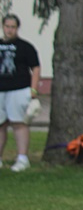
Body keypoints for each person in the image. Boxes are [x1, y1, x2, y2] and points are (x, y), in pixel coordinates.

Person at [0, 14, 41, 173]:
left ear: (17, 28)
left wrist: (33, 90)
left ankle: (22, 159)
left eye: (13, 27)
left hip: (19, 89)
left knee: (19, 123)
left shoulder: (25, 47)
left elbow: (35, 68)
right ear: (3, 27)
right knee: (1, 125)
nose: (9, 30)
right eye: (7, 26)